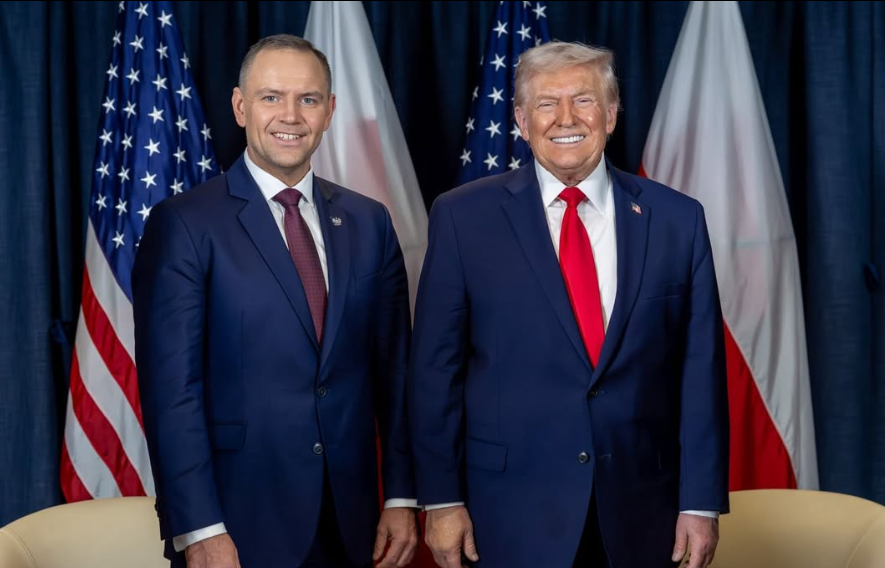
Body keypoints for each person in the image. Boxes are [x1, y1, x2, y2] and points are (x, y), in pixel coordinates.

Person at [410, 41, 729, 568]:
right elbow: (435, 372)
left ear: (611, 113)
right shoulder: (462, 217)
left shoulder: (678, 219)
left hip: (643, 510)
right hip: (506, 512)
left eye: (583, 100)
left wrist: (699, 503)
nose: (565, 118)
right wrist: (442, 500)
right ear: (521, 119)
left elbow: (700, 372)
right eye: (546, 103)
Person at [133, 34, 417, 568]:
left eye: (308, 99)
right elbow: (172, 393)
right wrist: (199, 529)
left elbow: (395, 373)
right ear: (241, 107)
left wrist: (401, 496)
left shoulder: (369, 221)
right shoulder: (185, 225)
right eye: (271, 97)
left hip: (352, 520)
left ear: (329, 110)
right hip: (237, 524)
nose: (291, 115)